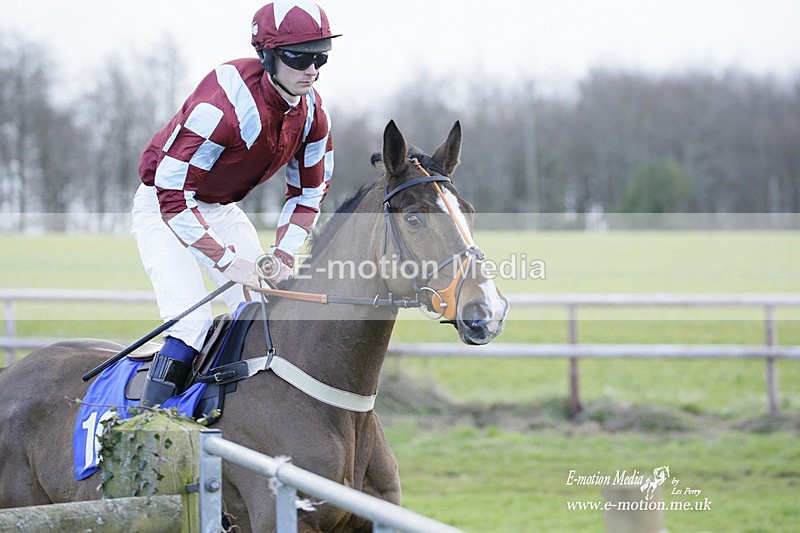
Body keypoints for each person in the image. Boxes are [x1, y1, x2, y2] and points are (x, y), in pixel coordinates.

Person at [131, 1, 339, 406]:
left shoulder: (313, 113)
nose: (312, 69)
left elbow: (309, 192)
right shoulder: (222, 106)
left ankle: (234, 419)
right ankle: (146, 427)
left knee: (262, 311)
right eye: (300, 57)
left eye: (320, 57)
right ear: (268, 56)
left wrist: (282, 254)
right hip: (165, 205)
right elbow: (171, 195)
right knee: (191, 323)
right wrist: (228, 262)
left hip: (219, 206)